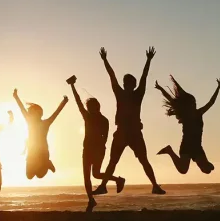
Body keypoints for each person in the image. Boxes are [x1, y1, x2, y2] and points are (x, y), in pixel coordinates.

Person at [94, 47, 165, 195]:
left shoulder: (137, 94)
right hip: (122, 132)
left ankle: (155, 185)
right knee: (113, 161)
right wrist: (105, 61)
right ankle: (103, 186)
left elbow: (144, 77)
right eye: (126, 83)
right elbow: (111, 76)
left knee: (143, 160)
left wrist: (148, 60)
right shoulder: (120, 93)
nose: (127, 85)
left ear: (132, 84)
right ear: (126, 84)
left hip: (134, 132)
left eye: (129, 83)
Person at [67, 75, 125, 209]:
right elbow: (78, 102)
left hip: (97, 149)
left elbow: (105, 137)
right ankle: (91, 200)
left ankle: (118, 180)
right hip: (88, 149)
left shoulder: (102, 120)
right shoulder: (88, 117)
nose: (90, 108)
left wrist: (100, 148)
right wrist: (72, 86)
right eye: (89, 107)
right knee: (89, 175)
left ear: (97, 106)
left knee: (96, 174)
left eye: (93, 106)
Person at [155, 76, 220, 175]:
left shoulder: (199, 113)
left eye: (195, 102)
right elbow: (170, 99)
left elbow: (211, 102)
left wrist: (218, 87)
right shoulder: (185, 115)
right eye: (193, 103)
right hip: (186, 146)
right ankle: (169, 151)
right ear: (188, 105)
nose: (195, 104)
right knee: (183, 170)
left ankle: (206, 165)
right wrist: (160, 88)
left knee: (207, 171)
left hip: (197, 147)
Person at [12, 87, 68, 180]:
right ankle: (45, 164)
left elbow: (56, 113)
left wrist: (64, 102)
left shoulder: (46, 123)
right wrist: (16, 97)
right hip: (32, 152)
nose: (29, 113)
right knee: (29, 176)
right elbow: (22, 109)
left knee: (40, 175)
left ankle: (47, 163)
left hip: (42, 153)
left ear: (39, 113)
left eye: (31, 112)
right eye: (29, 112)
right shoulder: (29, 121)